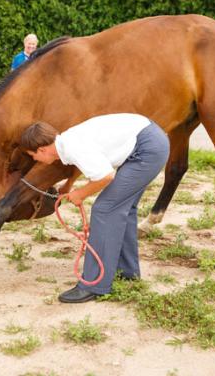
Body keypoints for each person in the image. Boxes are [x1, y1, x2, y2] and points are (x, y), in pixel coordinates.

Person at [20, 114, 169, 303]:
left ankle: (94, 285)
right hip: (151, 139)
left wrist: (80, 193)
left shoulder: (73, 146)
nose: (36, 160)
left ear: (42, 149)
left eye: (33, 155)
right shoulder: (66, 141)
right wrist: (69, 184)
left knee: (104, 209)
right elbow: (89, 159)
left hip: (147, 149)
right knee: (123, 208)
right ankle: (127, 272)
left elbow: (106, 176)